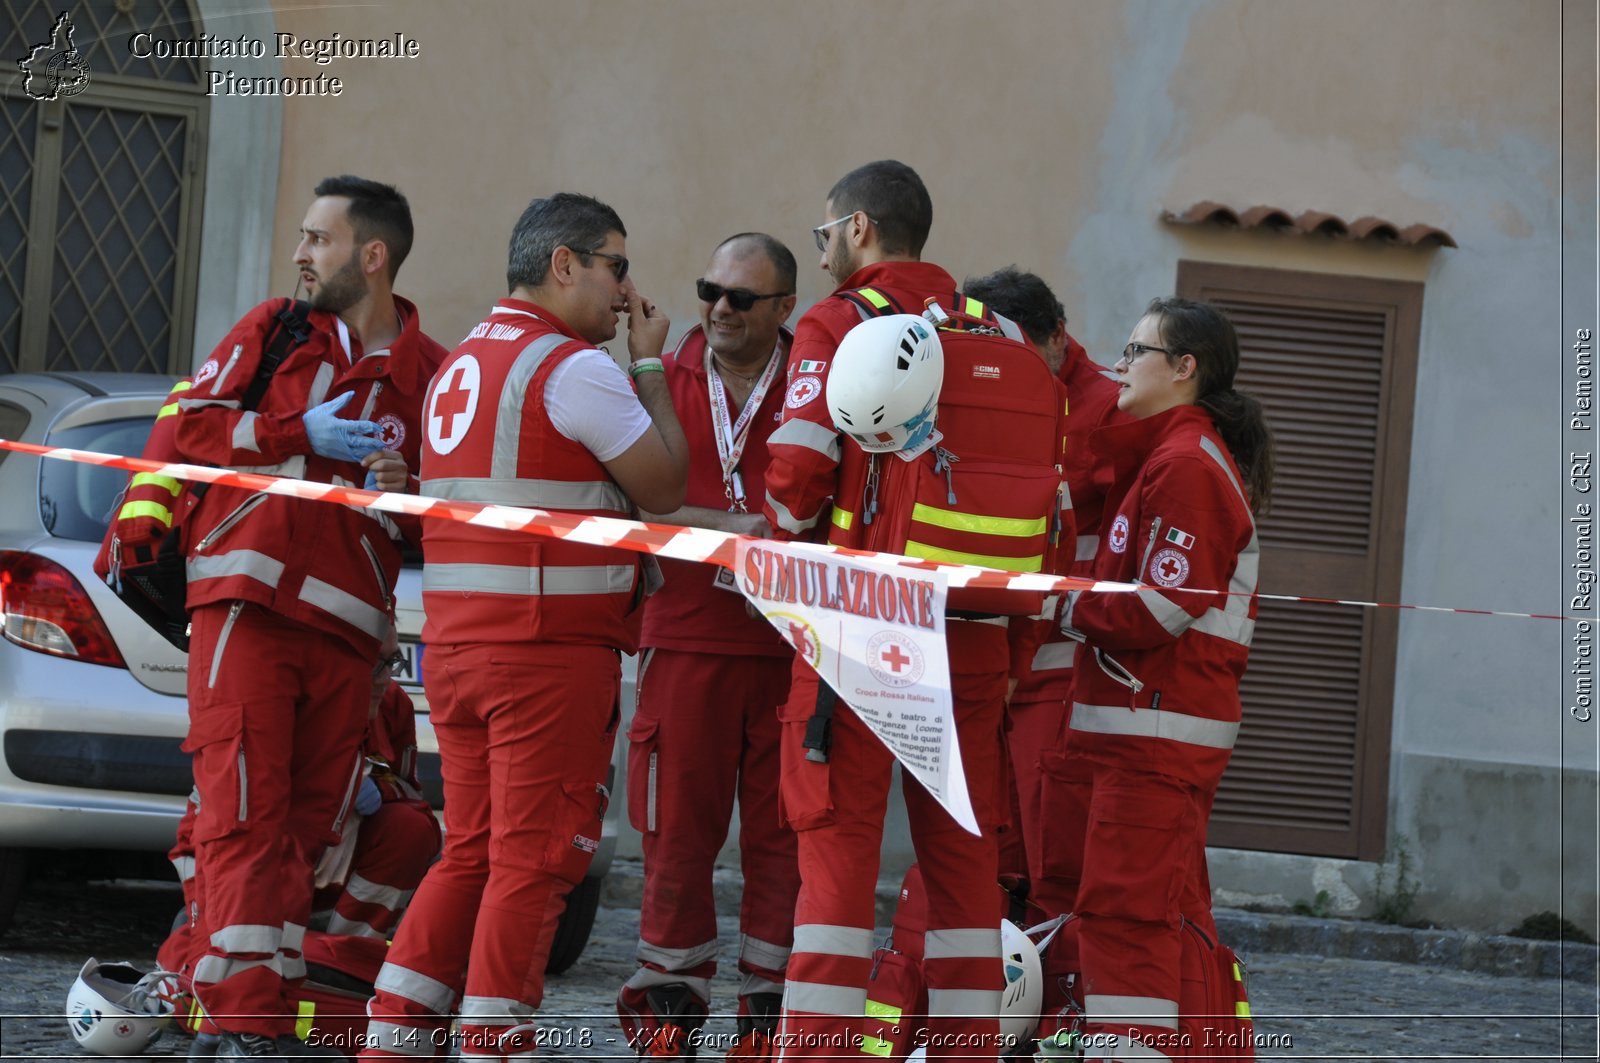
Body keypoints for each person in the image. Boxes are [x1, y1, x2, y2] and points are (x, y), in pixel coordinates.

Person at [361, 192, 688, 1063]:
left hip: (462, 644)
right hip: (544, 652)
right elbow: (660, 487)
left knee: (468, 850)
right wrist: (650, 366)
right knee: (535, 859)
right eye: (617, 265)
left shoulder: (463, 360)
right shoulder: (573, 367)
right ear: (565, 263)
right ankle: (495, 1042)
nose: (626, 291)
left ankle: (394, 1037)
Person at [763, 161, 1048, 1061]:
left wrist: (783, 531)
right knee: (965, 872)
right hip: (973, 632)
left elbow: (796, 480)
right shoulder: (1002, 331)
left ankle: (818, 1051)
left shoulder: (839, 322)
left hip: (861, 631)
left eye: (822, 237)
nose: (822, 256)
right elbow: (1050, 502)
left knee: (837, 862)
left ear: (858, 229)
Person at [172, 175, 446, 1058]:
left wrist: (406, 497)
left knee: (300, 831)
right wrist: (297, 430)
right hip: (247, 607)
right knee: (242, 818)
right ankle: (246, 1021)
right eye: (299, 236)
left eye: (317, 239)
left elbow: (425, 523)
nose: (299, 254)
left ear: (372, 256)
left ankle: (232, 1005)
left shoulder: (429, 372)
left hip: (348, 633)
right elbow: (192, 433)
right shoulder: (274, 330)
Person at [1054, 297, 1272, 1062]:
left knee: (1126, 921)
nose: (1120, 361)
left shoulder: (1185, 464)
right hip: (1144, 735)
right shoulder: (1167, 454)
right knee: (1166, 917)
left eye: (1135, 347)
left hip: (1155, 737)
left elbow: (1160, 608)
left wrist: (1060, 606)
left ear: (1185, 369)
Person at [614, 234, 801, 1061]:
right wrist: (733, 530)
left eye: (741, 299)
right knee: (676, 839)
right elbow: (636, 508)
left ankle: (766, 1021)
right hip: (684, 639)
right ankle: (666, 1016)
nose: (719, 309)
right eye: (709, 291)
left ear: (784, 309)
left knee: (784, 843)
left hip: (795, 648)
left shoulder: (818, 382)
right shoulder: (663, 377)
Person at [160, 635, 441, 1049]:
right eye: (374, 666)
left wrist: (372, 785)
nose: (385, 680)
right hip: (244, 860)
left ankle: (344, 961)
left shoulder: (392, 704)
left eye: (392, 663)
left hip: (328, 853)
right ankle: (226, 1004)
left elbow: (407, 788)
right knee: (211, 949)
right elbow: (210, 823)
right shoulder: (286, 694)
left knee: (412, 828)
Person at [960, 268, 1123, 921]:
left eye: (1019, 357)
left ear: (1058, 337)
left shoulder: (1113, 410)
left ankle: (1056, 1008)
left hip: (1061, 666)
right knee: (984, 857)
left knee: (1053, 853)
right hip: (984, 656)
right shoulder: (976, 389)